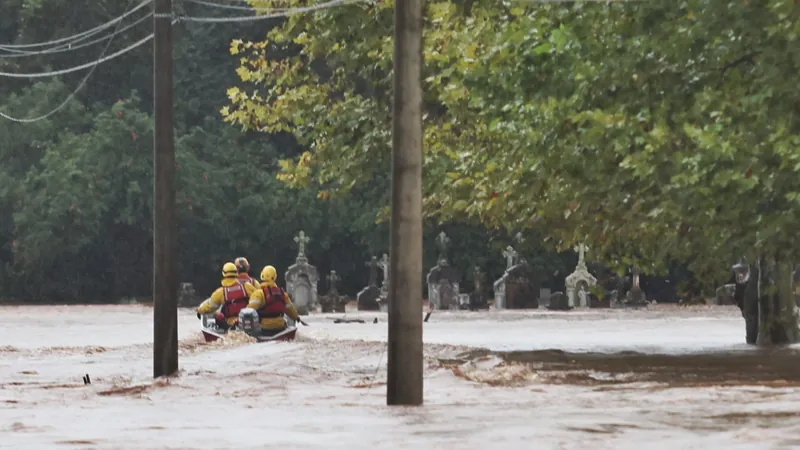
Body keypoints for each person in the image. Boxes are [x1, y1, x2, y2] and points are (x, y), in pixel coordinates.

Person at [238, 265, 305, 336]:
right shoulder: (282, 293)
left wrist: (238, 320)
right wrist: (297, 318)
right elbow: (291, 310)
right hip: (280, 326)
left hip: (264, 328)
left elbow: (248, 311)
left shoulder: (258, 293)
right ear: (275, 277)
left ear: (262, 276)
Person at [196, 262, 258, 330]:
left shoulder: (220, 292)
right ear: (236, 273)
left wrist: (200, 310)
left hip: (230, 325)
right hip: (247, 323)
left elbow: (210, 306)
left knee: (218, 316)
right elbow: (259, 299)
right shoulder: (247, 286)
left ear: (223, 273)